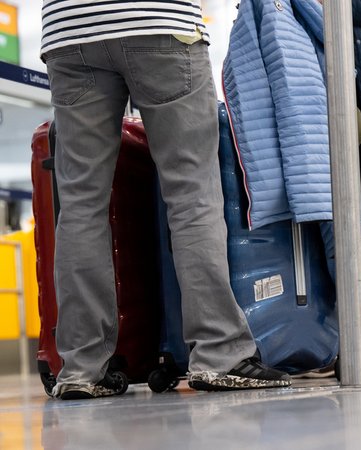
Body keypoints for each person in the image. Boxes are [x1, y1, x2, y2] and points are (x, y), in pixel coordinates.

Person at [41, 1, 291, 399]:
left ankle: (82, 369)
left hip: (69, 31)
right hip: (158, 20)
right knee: (192, 195)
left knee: (80, 205)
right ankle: (219, 354)